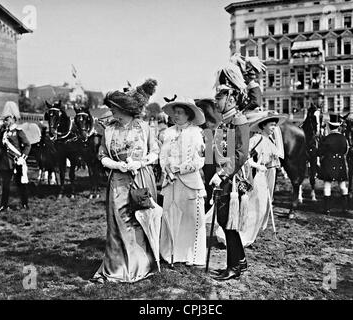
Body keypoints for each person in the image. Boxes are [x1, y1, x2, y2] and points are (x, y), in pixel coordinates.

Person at [91, 79, 160, 284]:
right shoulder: (109, 129)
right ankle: (117, 267)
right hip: (118, 181)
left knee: (140, 219)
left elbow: (155, 152)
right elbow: (101, 155)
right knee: (118, 223)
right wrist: (116, 165)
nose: (111, 111)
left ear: (125, 109)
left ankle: (141, 265)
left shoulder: (144, 127)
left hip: (141, 178)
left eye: (114, 108)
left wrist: (141, 163)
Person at [204, 81, 251, 281]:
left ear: (231, 99)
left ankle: (233, 266)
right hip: (222, 177)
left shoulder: (238, 121)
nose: (216, 101)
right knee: (225, 222)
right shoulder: (224, 122)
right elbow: (218, 151)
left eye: (219, 97)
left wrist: (222, 174)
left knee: (227, 221)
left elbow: (240, 154)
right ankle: (240, 260)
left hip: (231, 180)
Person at [159, 97, 207, 267]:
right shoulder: (168, 132)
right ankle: (171, 253)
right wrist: (167, 168)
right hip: (171, 182)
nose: (176, 116)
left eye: (180, 113)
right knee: (170, 215)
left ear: (188, 115)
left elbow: (200, 160)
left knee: (191, 218)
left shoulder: (196, 133)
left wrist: (182, 168)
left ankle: (192, 256)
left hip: (189, 181)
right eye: (174, 113)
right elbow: (163, 157)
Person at [240, 111, 286, 246]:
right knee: (255, 206)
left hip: (265, 177)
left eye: (275, 126)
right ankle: (244, 236)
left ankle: (250, 236)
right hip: (256, 177)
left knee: (262, 206)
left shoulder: (270, 141)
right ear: (263, 125)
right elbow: (245, 158)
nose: (273, 128)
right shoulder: (256, 139)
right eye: (271, 125)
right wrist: (257, 166)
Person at [0, 102, 31, 213]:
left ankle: (25, 204)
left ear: (12, 119)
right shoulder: (3, 132)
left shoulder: (18, 131)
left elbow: (27, 145)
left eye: (7, 119)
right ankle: (4, 205)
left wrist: (23, 157)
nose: (5, 121)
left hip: (17, 161)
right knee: (5, 185)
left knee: (21, 185)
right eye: (5, 119)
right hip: (5, 162)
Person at [317, 114, 349, 215]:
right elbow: (345, 151)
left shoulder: (326, 138)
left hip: (328, 163)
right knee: (343, 186)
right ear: (338, 126)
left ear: (330, 126)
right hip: (340, 162)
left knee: (327, 186)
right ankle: (345, 208)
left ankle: (327, 209)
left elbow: (320, 152)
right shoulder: (343, 138)